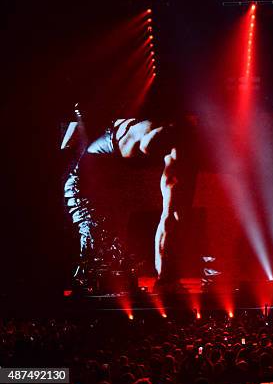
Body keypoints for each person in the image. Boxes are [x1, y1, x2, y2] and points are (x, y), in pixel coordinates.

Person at [63, 110, 218, 292]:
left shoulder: (178, 143)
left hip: (108, 150)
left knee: (170, 214)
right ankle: (163, 277)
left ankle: (164, 277)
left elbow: (171, 218)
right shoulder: (177, 135)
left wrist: (166, 278)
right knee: (93, 235)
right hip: (96, 157)